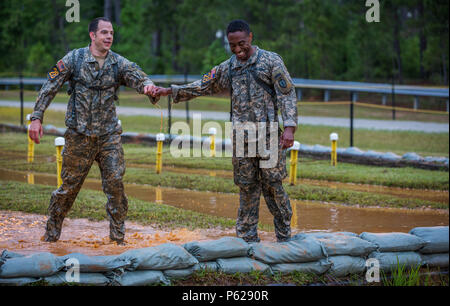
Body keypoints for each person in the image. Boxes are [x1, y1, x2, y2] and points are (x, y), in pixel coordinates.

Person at [152, 20, 298, 242]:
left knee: (272, 185)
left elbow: (286, 94)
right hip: (242, 138)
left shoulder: (271, 61)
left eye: (242, 44)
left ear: (251, 37)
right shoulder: (229, 67)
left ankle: (285, 235)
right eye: (233, 46)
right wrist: (169, 91)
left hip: (268, 138)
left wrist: (289, 128)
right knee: (246, 187)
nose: (238, 50)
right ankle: (247, 239)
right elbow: (203, 85)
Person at [28, 17, 159, 245]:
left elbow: (138, 76)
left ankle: (118, 240)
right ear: (93, 35)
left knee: (115, 184)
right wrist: (37, 117)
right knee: (68, 189)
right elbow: (49, 86)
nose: (109, 37)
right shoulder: (74, 59)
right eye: (104, 32)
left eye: (111, 33)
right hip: (79, 136)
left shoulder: (118, 63)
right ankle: (51, 234)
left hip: (109, 136)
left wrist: (148, 87)